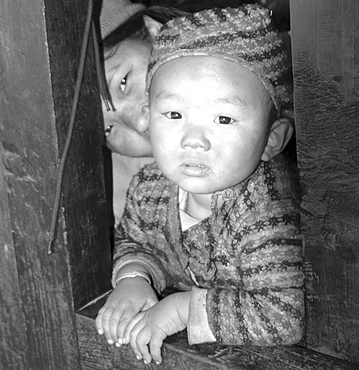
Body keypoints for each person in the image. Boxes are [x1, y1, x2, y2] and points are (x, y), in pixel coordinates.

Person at [96, 3, 304, 366]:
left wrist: (181, 310)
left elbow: (284, 312)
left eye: (222, 118)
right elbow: (137, 240)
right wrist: (134, 276)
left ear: (272, 140)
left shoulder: (265, 206)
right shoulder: (150, 184)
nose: (193, 139)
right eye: (174, 115)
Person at [99, 0, 189, 225]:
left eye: (123, 83)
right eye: (108, 130)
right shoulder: (130, 202)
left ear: (155, 33)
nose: (139, 124)